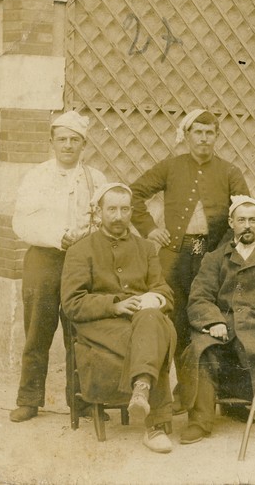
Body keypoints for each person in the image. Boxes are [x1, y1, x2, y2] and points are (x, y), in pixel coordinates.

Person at [130, 109, 250, 407]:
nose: (204, 138)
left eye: (210, 133)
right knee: (175, 322)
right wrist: (150, 229)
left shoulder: (229, 171)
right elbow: (134, 193)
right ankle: (168, 395)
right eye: (198, 132)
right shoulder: (171, 167)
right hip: (175, 257)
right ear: (187, 135)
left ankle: (205, 394)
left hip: (212, 258)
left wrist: (224, 248)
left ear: (216, 137)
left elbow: (245, 209)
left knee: (210, 320)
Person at [60, 183, 177, 453]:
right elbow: (72, 303)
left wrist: (154, 299)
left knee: (151, 319)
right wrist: (115, 305)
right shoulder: (80, 250)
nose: (118, 216)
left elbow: (163, 291)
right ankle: (154, 425)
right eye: (111, 209)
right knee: (154, 336)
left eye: (125, 209)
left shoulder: (146, 248)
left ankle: (141, 390)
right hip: (101, 323)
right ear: (98, 212)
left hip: (142, 321)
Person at [10, 110, 108, 423]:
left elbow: (104, 219)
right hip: (44, 258)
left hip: (82, 261)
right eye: (62, 139)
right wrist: (59, 236)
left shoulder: (96, 178)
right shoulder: (36, 176)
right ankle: (29, 399)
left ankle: (81, 400)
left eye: (74, 140)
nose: (68, 145)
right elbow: (22, 221)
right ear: (52, 142)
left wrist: (86, 237)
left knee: (80, 330)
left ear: (83, 144)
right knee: (37, 329)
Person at [179, 195, 255, 449]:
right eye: (241, 220)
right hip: (224, 325)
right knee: (201, 349)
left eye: (252, 220)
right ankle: (200, 420)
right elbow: (199, 296)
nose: (247, 225)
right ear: (231, 223)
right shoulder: (214, 258)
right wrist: (213, 322)